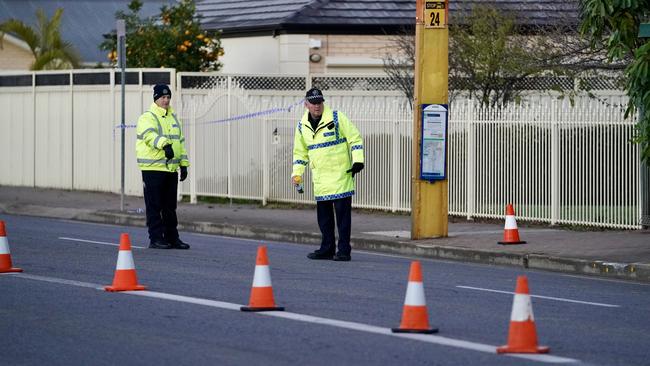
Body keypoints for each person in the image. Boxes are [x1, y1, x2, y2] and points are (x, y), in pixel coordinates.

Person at [291, 88, 364, 261]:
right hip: (321, 179)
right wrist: (297, 175)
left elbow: (355, 138)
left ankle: (344, 250)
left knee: (342, 218)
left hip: (341, 176)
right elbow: (300, 153)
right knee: (324, 220)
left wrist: (358, 161)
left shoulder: (337, 117)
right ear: (306, 104)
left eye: (319, 102)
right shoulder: (302, 126)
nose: (317, 106)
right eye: (313, 103)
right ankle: (327, 248)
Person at [136, 84, 190, 249]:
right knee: (154, 206)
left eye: (168, 97)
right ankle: (156, 238)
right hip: (153, 169)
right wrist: (164, 145)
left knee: (169, 207)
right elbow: (149, 135)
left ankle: (172, 237)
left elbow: (180, 143)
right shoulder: (147, 117)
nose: (166, 100)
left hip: (170, 169)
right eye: (162, 97)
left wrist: (184, 164)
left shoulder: (173, 118)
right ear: (156, 99)